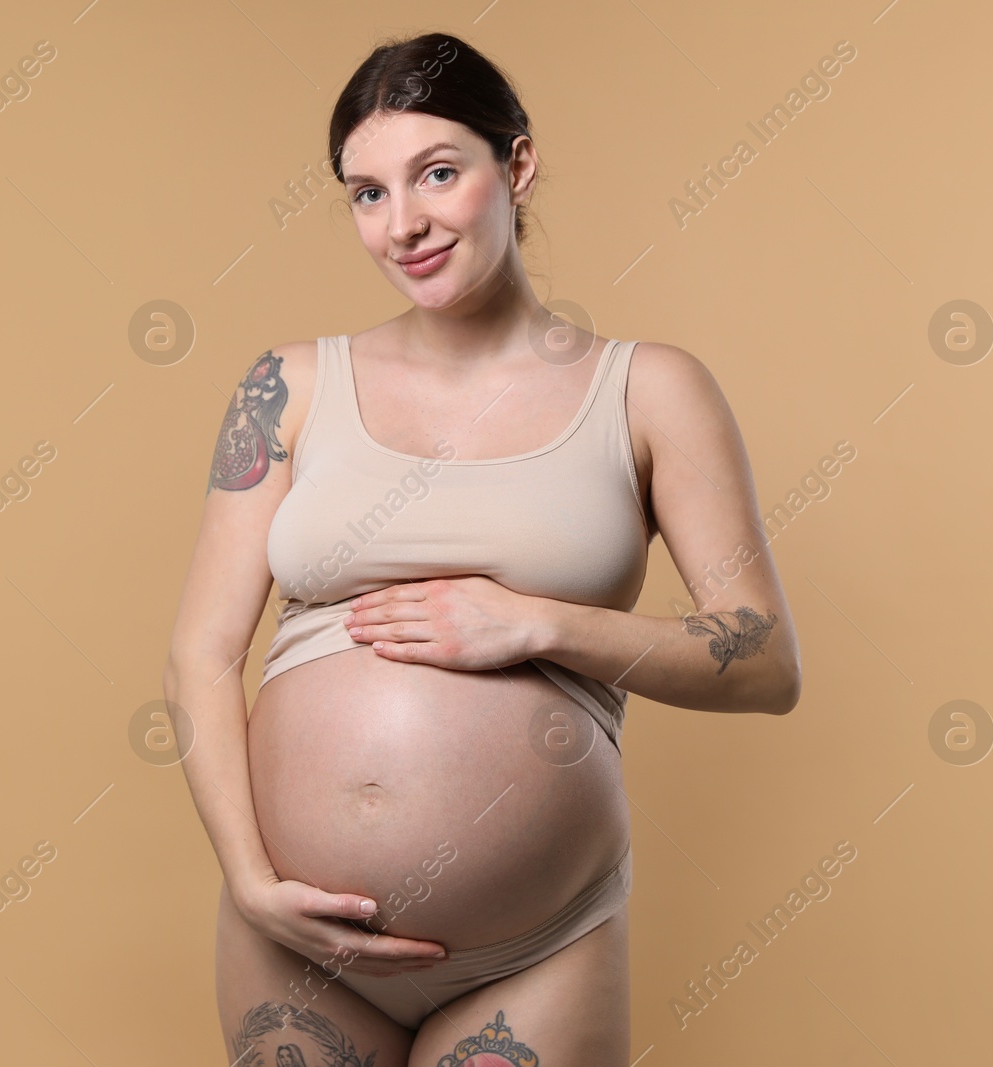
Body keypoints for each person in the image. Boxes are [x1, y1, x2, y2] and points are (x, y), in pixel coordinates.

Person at [163, 30, 801, 1066]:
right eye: (366, 193)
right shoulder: (285, 385)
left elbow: (765, 661)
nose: (402, 223)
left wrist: (539, 622)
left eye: (438, 174)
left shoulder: (648, 390)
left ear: (518, 165)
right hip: (294, 935)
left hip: (535, 945)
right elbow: (198, 654)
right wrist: (246, 875)